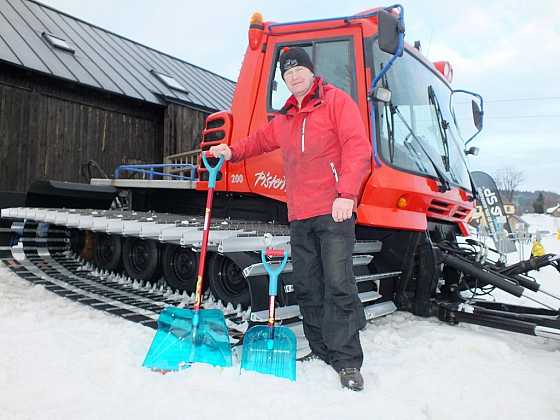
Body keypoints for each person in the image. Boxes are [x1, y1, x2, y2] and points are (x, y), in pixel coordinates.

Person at [209, 47, 372, 391]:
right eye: (287, 73)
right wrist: (230, 151)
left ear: (311, 72)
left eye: (299, 70)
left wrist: (346, 193)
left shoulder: (336, 102)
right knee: (309, 286)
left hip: (333, 211)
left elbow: (358, 147)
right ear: (284, 80)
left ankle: (346, 361)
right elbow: (257, 142)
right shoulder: (284, 119)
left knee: (338, 284)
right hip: (300, 215)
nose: (294, 76)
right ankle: (321, 349)